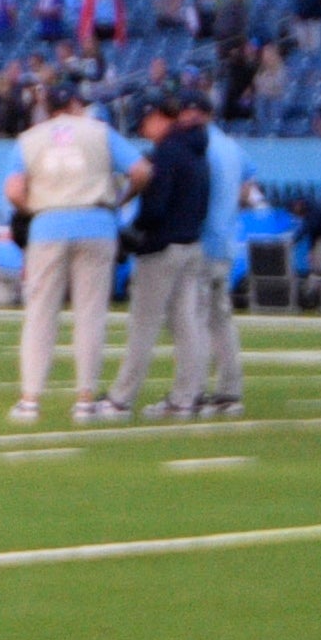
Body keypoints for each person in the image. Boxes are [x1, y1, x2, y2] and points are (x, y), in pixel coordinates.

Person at [4, 84, 125, 420]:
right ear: (76, 104)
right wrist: (118, 202)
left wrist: (36, 209)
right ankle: (85, 398)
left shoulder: (29, 138)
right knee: (89, 314)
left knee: (40, 313)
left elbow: (13, 189)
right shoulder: (100, 132)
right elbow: (141, 170)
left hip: (48, 225)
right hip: (96, 221)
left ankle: (30, 399)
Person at [108, 96, 213, 420]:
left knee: (142, 326)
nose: (144, 131)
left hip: (162, 248)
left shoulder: (166, 154)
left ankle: (120, 399)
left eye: (145, 124)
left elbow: (155, 208)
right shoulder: (197, 152)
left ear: (157, 118)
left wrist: (134, 233)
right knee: (187, 326)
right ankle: (186, 398)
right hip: (191, 244)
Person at [196, 102, 248, 415]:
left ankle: (194, 389)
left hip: (203, 242)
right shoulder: (231, 146)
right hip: (226, 243)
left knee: (195, 320)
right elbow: (247, 186)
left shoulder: (201, 147)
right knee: (221, 320)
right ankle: (230, 391)